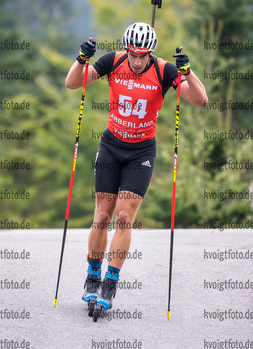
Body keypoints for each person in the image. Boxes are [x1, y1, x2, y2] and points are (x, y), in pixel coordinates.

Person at [65, 22, 208, 314]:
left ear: (151, 53)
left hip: (141, 151)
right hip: (110, 146)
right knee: (103, 214)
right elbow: (72, 83)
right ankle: (92, 275)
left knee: (123, 215)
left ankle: (110, 283)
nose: (138, 60)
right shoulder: (113, 61)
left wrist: (188, 72)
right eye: (134, 54)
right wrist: (81, 59)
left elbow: (201, 100)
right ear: (127, 50)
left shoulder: (164, 71)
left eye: (144, 55)